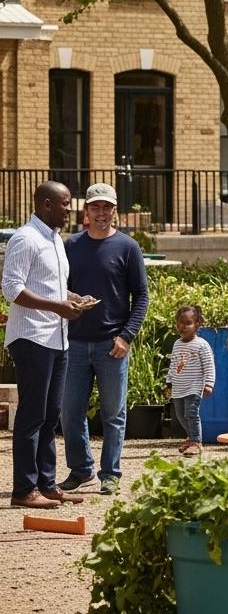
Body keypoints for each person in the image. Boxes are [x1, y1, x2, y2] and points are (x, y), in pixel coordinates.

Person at [57, 183, 149, 497]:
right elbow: (58, 288)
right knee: (70, 412)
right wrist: (72, 300)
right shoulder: (71, 246)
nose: (101, 213)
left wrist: (127, 336)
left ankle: (110, 473)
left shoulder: (128, 247)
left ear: (114, 211)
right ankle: (82, 471)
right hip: (76, 342)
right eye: (95, 207)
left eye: (106, 207)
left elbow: (141, 297)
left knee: (114, 413)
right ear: (87, 212)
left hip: (113, 344)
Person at [4, 182, 89, 509]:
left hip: (57, 338)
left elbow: (50, 287)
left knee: (50, 414)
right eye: (65, 204)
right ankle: (23, 491)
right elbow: (11, 289)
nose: (70, 209)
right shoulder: (25, 238)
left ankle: (47, 484)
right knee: (32, 414)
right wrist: (57, 307)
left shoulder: (53, 239)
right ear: (45, 204)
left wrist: (73, 299)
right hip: (31, 338)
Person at [165, 305, 215, 457]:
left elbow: (209, 365)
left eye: (187, 323)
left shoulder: (201, 345)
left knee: (191, 414)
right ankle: (191, 437)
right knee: (180, 415)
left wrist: (209, 384)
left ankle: (196, 442)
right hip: (179, 387)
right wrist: (169, 382)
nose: (182, 326)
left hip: (194, 387)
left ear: (197, 324)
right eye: (179, 323)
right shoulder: (177, 344)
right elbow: (173, 364)